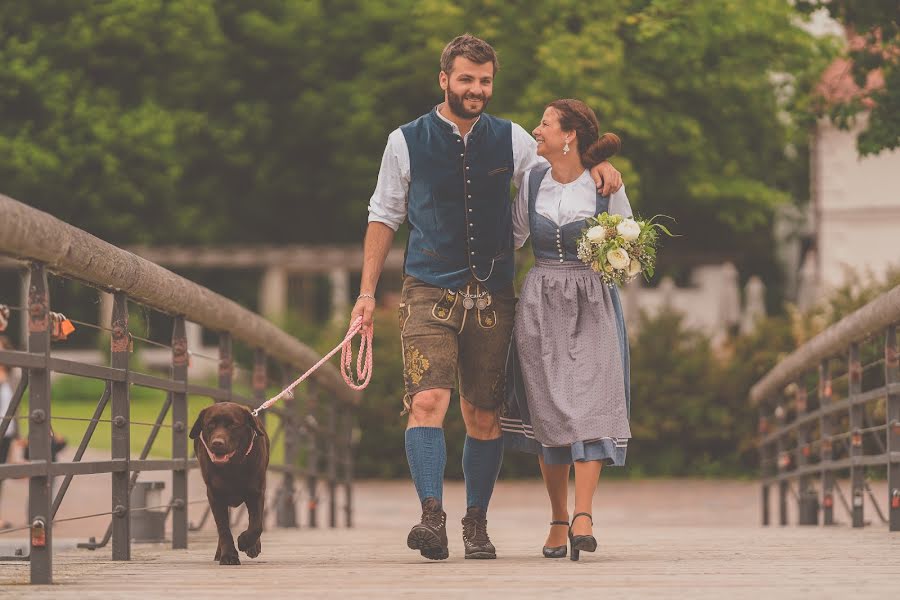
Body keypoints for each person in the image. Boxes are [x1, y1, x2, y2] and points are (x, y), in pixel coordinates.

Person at [351, 35, 623, 561]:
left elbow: (557, 178)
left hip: (493, 293)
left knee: (483, 415)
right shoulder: (404, 141)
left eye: (485, 81)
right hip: (427, 284)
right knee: (428, 400)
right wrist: (366, 294)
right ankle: (432, 515)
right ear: (444, 80)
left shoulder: (516, 139)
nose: (476, 89)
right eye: (466, 79)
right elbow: (383, 213)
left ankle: (476, 521)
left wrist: (600, 170)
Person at [501, 99, 633, 561]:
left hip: (593, 300)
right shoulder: (533, 179)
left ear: (570, 135)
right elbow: (513, 235)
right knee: (550, 409)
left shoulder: (606, 186)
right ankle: (559, 517)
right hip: (540, 300)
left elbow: (630, 243)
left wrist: (611, 256)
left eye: (545, 124)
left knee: (593, 401)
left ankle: (584, 513)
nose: (537, 130)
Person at [0, 336, 19, 529]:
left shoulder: (11, 377)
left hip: (7, 433)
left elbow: (14, 409)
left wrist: (17, 438)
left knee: (2, 475)